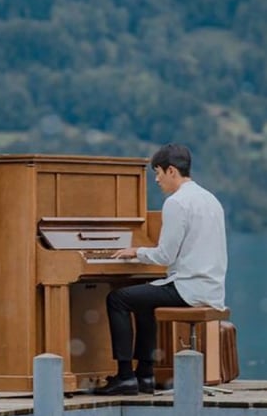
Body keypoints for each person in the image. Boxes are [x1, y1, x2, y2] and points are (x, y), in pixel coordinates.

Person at [93, 143, 227, 396]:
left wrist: (136, 251)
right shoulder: (210, 199)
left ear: (172, 171)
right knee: (143, 301)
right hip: (210, 287)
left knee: (117, 299)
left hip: (188, 288)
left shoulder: (176, 203)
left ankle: (124, 376)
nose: (156, 179)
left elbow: (165, 255)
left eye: (158, 173)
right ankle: (144, 374)